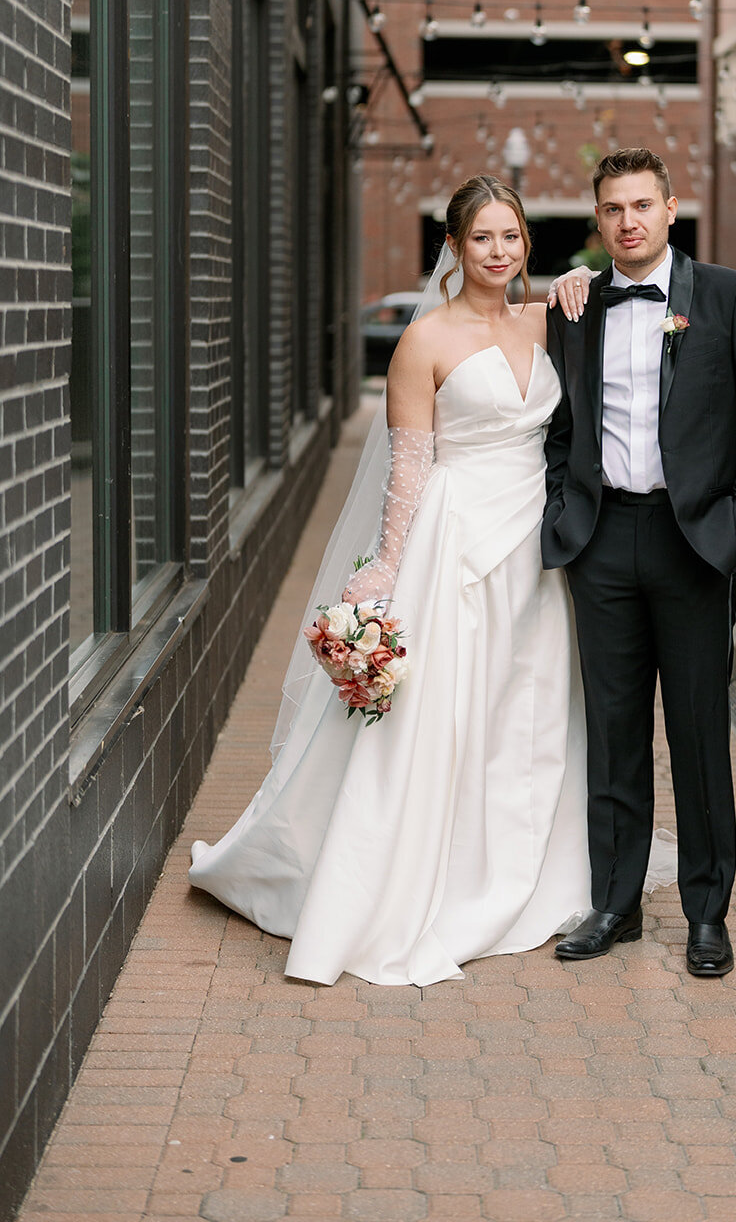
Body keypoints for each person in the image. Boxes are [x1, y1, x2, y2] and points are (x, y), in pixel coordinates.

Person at [189, 175, 593, 986]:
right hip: (453, 538)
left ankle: (519, 867)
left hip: (535, 547)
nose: (498, 251)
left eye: (510, 237)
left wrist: (585, 281)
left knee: (526, 708)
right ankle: (395, 883)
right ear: (453, 246)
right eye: (481, 238)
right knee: (434, 716)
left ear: (525, 245)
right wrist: (385, 568)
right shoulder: (427, 341)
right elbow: (408, 468)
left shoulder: (546, 321)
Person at [542, 147, 736, 978]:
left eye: (642, 206)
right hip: (603, 541)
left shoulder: (726, 295)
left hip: (695, 545)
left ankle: (705, 914)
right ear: (598, 218)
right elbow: (558, 425)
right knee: (613, 735)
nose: (628, 222)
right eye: (613, 209)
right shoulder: (575, 305)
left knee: (697, 735)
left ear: (671, 208)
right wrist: (561, 513)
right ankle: (616, 904)